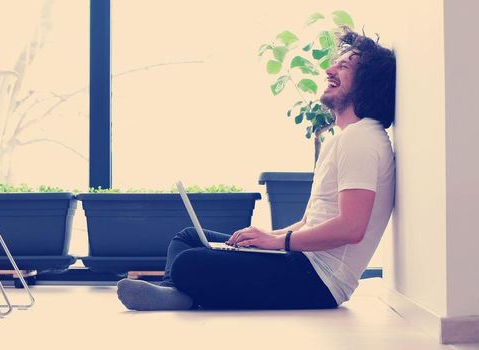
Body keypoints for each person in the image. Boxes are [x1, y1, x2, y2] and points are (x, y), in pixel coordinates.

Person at [116, 28, 396, 310]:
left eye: (343, 66)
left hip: (317, 281)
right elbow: (312, 221)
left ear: (366, 84)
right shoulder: (351, 137)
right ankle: (175, 292)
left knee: (189, 262)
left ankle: (181, 291)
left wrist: (278, 243)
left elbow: (351, 228)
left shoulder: (360, 139)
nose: (328, 68)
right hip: (301, 261)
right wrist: (268, 237)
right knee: (188, 237)